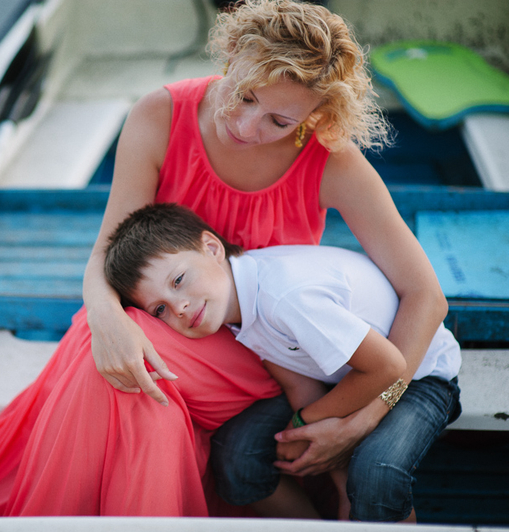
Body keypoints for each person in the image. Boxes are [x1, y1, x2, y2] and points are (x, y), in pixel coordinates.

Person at [0, 0, 449, 518]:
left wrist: (370, 414)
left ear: (313, 116)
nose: (246, 126)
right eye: (243, 95)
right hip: (164, 312)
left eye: (278, 121)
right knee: (112, 358)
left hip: (262, 342)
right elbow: (107, 251)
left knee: (130, 375)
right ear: (233, 54)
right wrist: (106, 321)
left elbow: (425, 294)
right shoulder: (159, 115)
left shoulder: (330, 159)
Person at [103, 202, 462, 521]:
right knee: (237, 454)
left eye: (179, 280)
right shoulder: (237, 310)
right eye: (159, 310)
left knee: (376, 472)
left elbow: (390, 367)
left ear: (211, 248)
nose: (179, 307)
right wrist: (338, 481)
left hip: (420, 375)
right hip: (348, 378)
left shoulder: (284, 297)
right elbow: (298, 384)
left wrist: (304, 421)